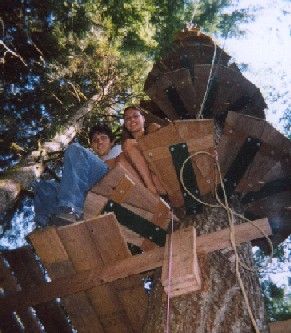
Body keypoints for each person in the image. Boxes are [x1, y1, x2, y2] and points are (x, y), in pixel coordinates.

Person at [34, 124, 121, 226]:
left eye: (103, 138)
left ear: (112, 141)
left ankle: (71, 210)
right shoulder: (92, 162)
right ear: (92, 146)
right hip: (92, 192)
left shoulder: (119, 149)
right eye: (95, 140)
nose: (99, 142)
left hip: (112, 184)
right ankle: (49, 224)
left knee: (75, 148)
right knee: (45, 186)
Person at [120, 106, 166, 195]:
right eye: (128, 118)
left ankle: (150, 188)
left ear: (143, 118)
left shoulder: (153, 129)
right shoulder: (127, 148)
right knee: (122, 157)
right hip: (152, 184)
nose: (132, 120)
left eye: (135, 116)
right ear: (125, 124)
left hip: (164, 175)